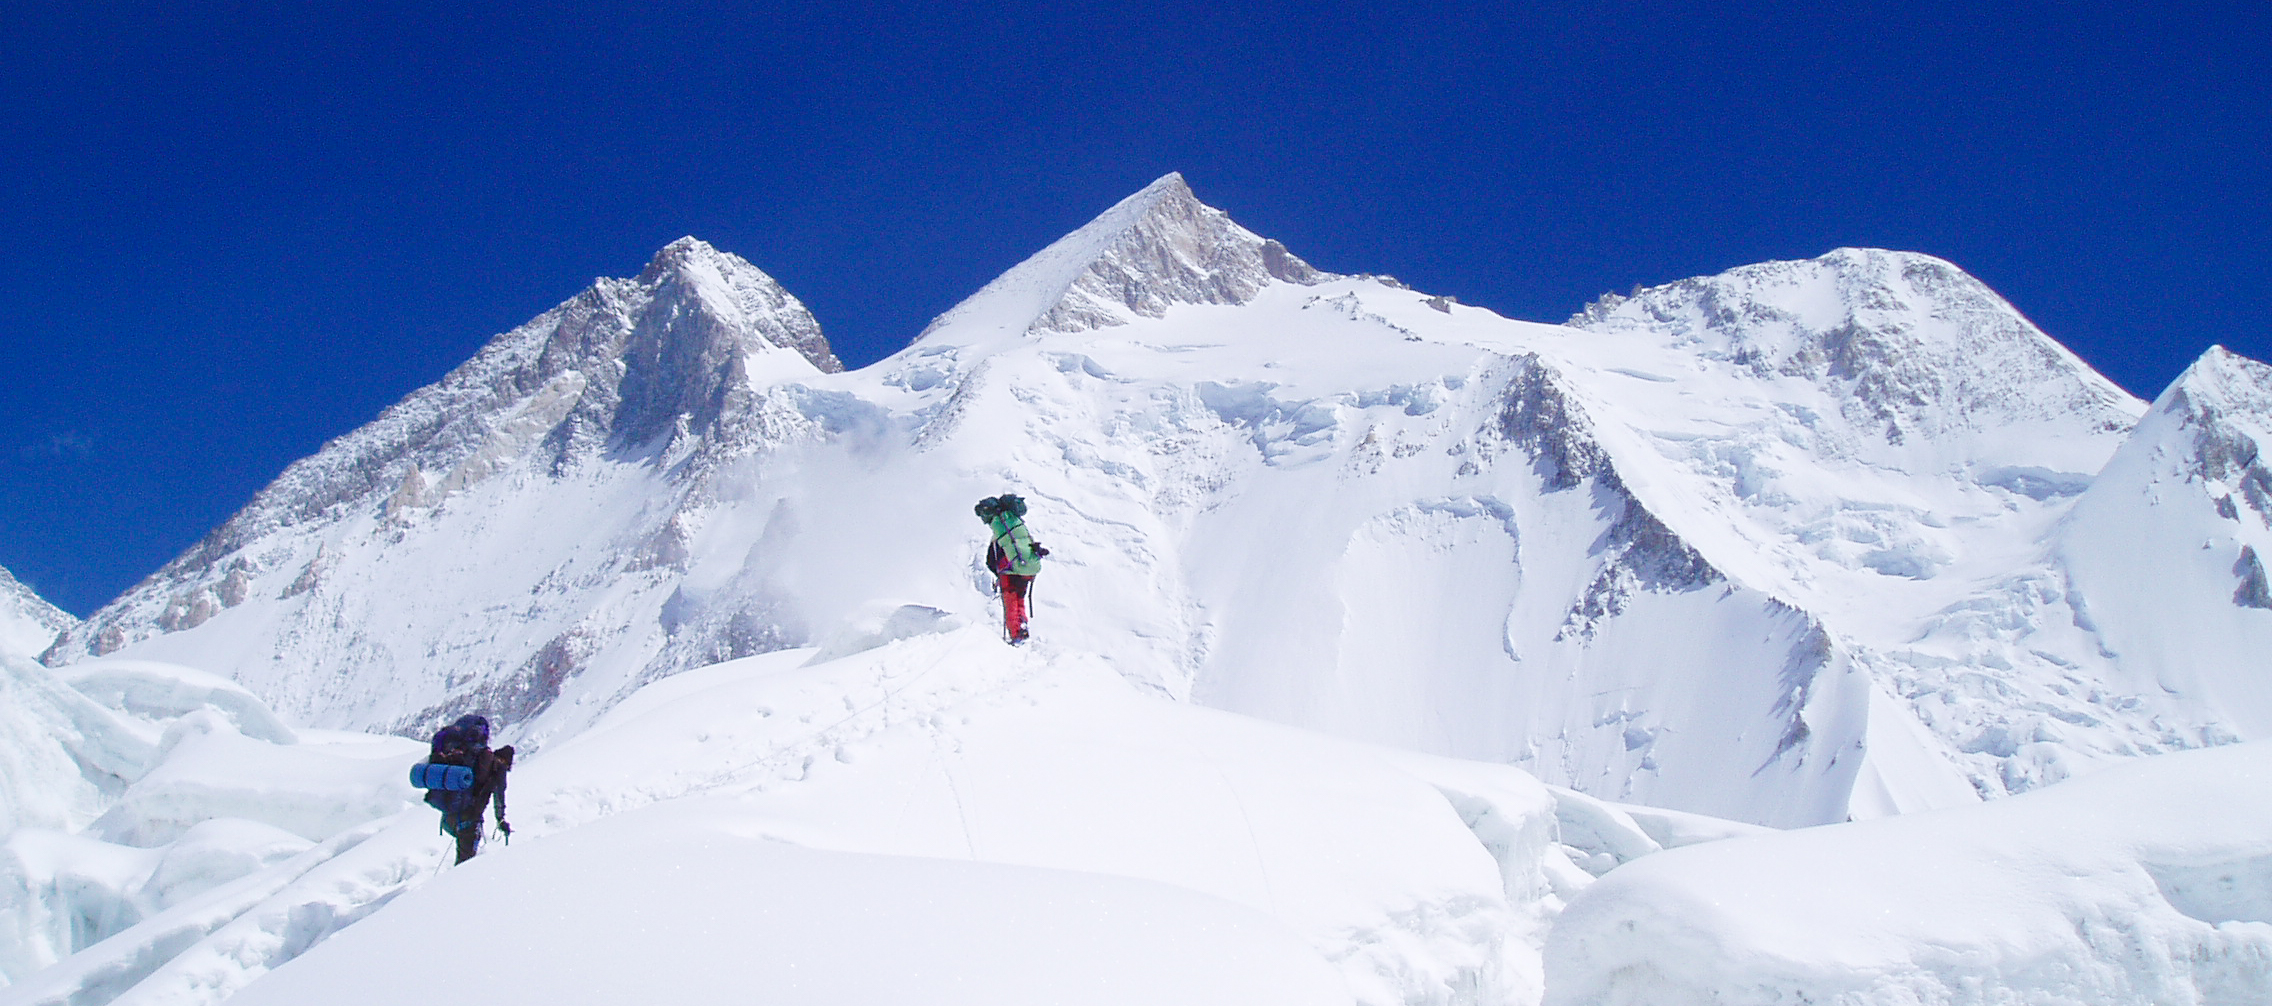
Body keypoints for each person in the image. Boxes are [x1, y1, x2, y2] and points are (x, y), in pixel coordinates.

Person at [423, 714, 514, 864]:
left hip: (448, 815)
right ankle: (456, 886)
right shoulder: (496, 767)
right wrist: (501, 819)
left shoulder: (472, 758)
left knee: (464, 858)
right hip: (468, 820)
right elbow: (499, 798)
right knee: (464, 865)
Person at [975, 494, 1048, 643]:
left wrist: (998, 574)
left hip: (1009, 570)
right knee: (1020, 599)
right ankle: (1022, 628)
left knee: (1010, 602)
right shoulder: (1013, 523)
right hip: (1027, 567)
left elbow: (990, 559)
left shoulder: (999, 530)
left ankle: (1016, 634)